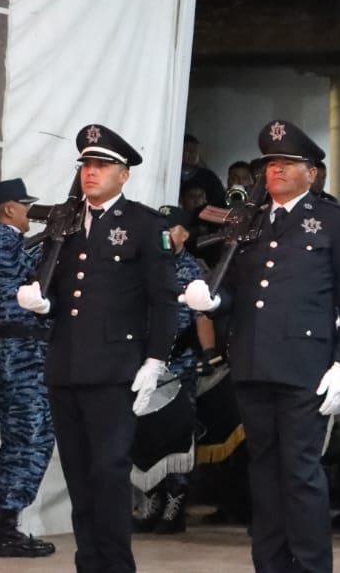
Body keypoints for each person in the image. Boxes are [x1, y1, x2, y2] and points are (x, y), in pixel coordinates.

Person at [180, 119, 340, 573]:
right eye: (270, 164)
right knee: (263, 473)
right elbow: (241, 290)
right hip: (252, 361)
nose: (276, 171)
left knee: (301, 473)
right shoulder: (250, 222)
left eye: (287, 163)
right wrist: (214, 298)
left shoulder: (332, 221)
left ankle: (309, 566)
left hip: (305, 366)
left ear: (313, 172)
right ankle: (271, 564)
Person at [16, 124, 179, 573]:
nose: (91, 173)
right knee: (80, 476)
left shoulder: (144, 225)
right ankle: (89, 564)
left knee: (108, 472)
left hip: (115, 369)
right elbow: (63, 293)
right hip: (66, 367)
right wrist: (41, 304)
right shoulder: (64, 224)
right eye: (86, 165)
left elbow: (162, 300)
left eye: (102, 165)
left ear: (123, 175)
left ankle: (116, 565)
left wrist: (155, 359)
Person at [0, 178, 56, 558]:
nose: (28, 215)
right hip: (23, 352)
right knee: (30, 438)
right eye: (24, 208)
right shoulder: (5, 245)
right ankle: (5, 530)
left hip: (10, 350)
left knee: (21, 437)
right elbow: (43, 282)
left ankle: (6, 526)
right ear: (8, 210)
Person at [130, 206, 205, 536]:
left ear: (185, 234)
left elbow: (202, 317)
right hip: (145, 365)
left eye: (171, 229)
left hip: (179, 364)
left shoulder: (192, 269)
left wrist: (211, 353)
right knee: (145, 434)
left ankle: (175, 504)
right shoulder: (146, 264)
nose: (164, 235)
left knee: (175, 436)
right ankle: (152, 501)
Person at [182, 133, 226, 207]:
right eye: (188, 150)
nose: (193, 154)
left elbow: (220, 199)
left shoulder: (209, 176)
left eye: (195, 151)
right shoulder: (173, 174)